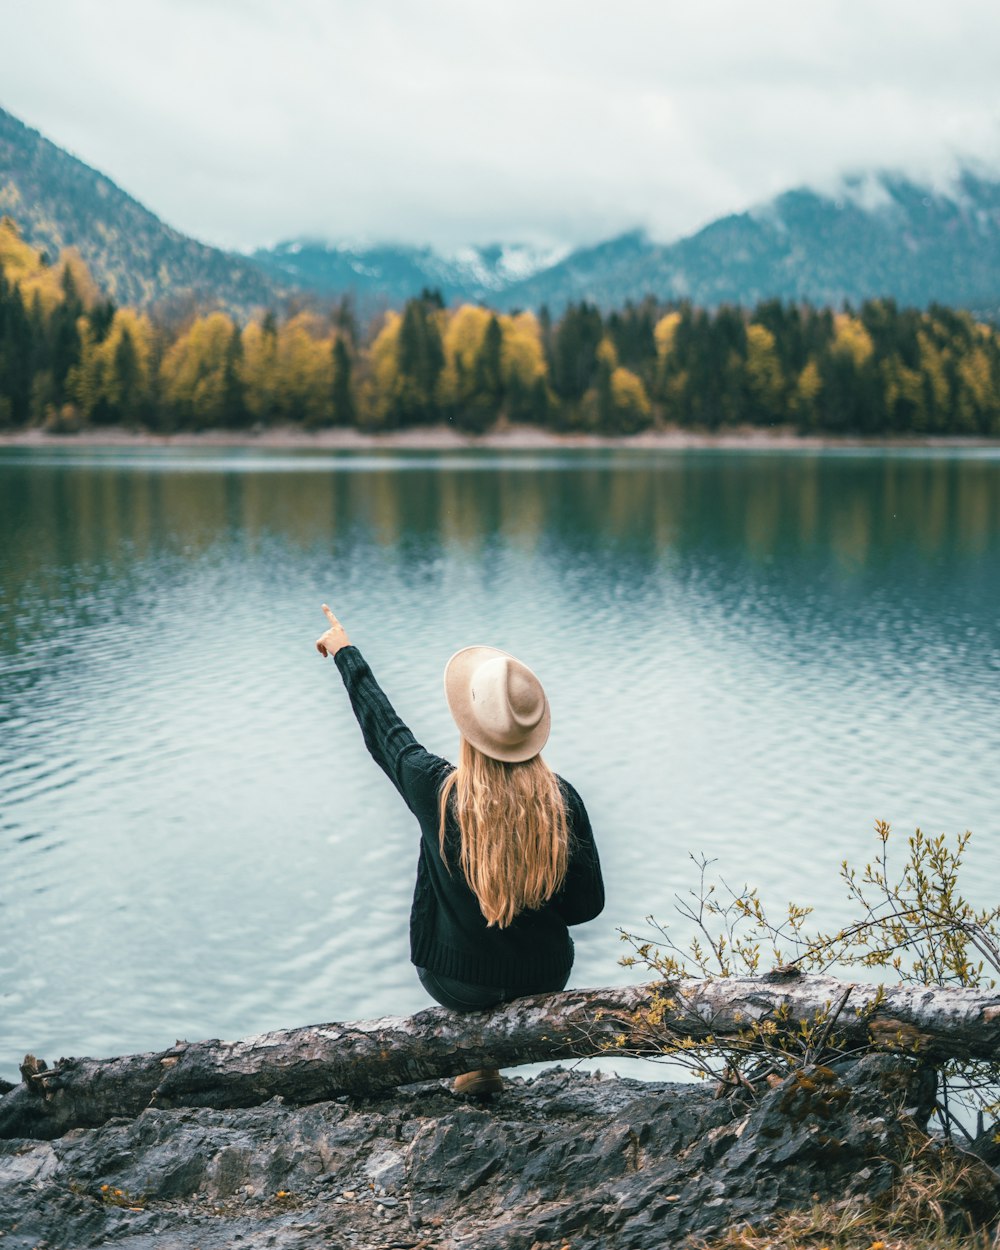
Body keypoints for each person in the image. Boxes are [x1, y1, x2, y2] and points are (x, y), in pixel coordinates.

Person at [316, 604, 605, 1096]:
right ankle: (484, 1065)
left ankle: (478, 1061)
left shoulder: (439, 792)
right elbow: (586, 907)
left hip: (458, 984)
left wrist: (345, 651)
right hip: (543, 977)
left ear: (469, 725)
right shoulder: (562, 800)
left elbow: (386, 731)